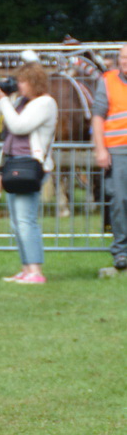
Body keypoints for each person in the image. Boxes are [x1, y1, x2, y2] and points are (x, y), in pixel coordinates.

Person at [0, 62, 58, 285]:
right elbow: (3, 122)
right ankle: (26, 269)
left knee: (26, 220)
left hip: (31, 166)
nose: (19, 85)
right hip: (14, 163)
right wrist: (1, 97)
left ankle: (35, 271)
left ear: (34, 82)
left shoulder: (45, 103)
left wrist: (4, 100)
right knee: (17, 221)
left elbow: (18, 126)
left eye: (23, 81)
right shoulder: (22, 101)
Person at [93, 43, 127, 278]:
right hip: (117, 151)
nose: (125, 61)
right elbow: (97, 117)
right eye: (123, 57)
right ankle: (121, 253)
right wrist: (100, 150)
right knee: (119, 202)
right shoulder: (107, 81)